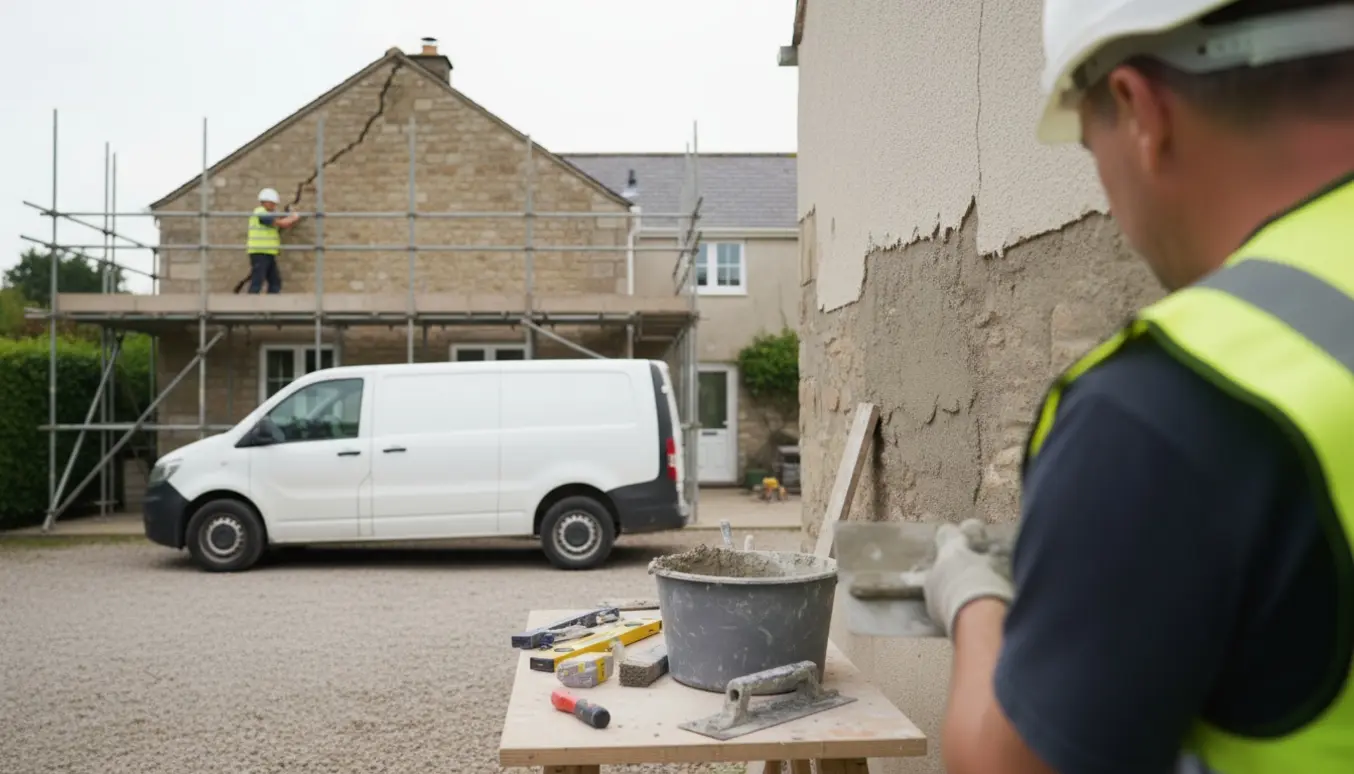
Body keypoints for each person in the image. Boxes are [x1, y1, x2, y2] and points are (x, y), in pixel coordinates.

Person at [917, 1, 1354, 773]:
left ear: (1138, 109)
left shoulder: (1171, 409)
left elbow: (1007, 765)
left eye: (1092, 147)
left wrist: (974, 603)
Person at [246, 187, 300, 294]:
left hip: (268, 252)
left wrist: (289, 217)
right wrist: (293, 218)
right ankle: (250, 307)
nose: (274, 206)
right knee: (258, 281)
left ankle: (271, 306)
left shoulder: (268, 214)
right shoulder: (260, 212)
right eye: (272, 203)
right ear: (265, 202)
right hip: (259, 252)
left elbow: (281, 221)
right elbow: (281, 223)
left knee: (275, 282)